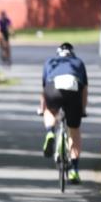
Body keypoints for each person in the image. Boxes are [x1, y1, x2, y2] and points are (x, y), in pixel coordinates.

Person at [39, 42, 89, 184]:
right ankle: (74, 169)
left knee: (50, 111)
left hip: (53, 88)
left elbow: (44, 89)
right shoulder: (78, 63)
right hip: (74, 90)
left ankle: (50, 131)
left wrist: (42, 108)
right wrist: (82, 109)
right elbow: (84, 90)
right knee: (74, 131)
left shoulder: (50, 62)